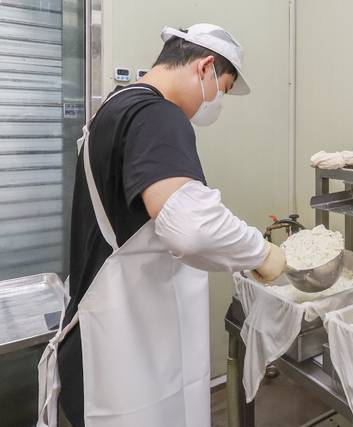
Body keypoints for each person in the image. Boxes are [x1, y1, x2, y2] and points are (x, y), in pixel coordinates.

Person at [36, 23, 286, 427]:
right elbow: (193, 227)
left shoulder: (116, 106)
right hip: (124, 357)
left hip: (103, 337)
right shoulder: (157, 115)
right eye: (221, 89)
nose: (216, 103)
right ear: (204, 67)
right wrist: (260, 251)